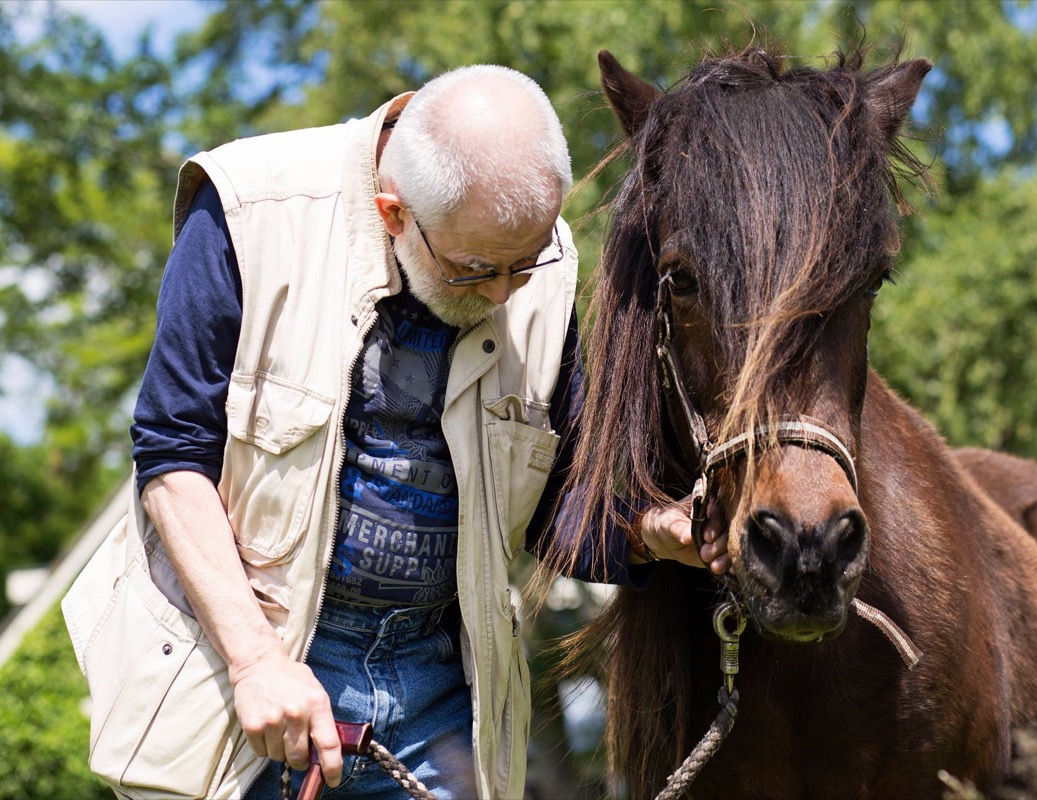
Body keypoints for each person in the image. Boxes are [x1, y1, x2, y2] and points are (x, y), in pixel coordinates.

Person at [62, 65, 727, 800]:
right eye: (477, 269)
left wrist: (647, 531)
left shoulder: (543, 260)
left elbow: (551, 506)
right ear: (392, 213)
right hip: (238, 680)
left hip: (437, 700)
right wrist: (256, 664)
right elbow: (172, 455)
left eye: (525, 262)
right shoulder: (251, 208)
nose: (508, 292)